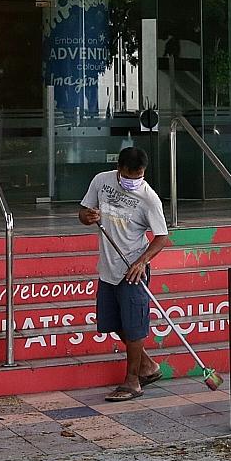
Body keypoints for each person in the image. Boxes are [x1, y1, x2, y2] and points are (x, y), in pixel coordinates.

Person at [78, 146, 171, 401]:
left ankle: (132, 382)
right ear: (119, 169)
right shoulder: (101, 181)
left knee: (134, 326)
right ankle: (149, 367)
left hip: (133, 269)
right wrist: (88, 216)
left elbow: (162, 238)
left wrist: (142, 262)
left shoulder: (149, 198)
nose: (134, 181)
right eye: (129, 176)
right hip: (108, 267)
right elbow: (83, 213)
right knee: (112, 323)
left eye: (139, 176)